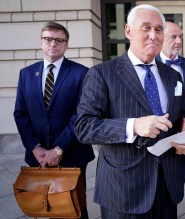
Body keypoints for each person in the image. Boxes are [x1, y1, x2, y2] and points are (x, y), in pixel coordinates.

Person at [74, 4, 185, 219]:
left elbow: (184, 115)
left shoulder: (173, 76)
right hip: (123, 188)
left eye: (159, 30)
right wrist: (133, 125)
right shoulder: (102, 73)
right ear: (128, 31)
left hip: (167, 183)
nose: (153, 35)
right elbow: (84, 127)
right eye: (146, 28)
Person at [13, 22, 95, 219]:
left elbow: (81, 114)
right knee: (47, 206)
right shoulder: (26, 74)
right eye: (48, 39)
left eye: (59, 40)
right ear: (41, 42)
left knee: (74, 208)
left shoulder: (81, 73)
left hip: (72, 153)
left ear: (66, 44)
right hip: (38, 155)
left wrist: (58, 149)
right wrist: (36, 147)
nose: (53, 44)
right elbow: (21, 113)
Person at [157, 21, 185, 219]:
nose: (179, 41)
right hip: (162, 147)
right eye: (173, 37)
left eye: (181, 37)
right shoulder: (151, 67)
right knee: (166, 201)